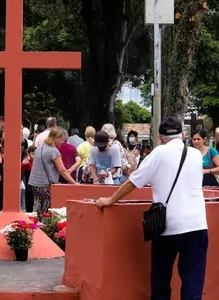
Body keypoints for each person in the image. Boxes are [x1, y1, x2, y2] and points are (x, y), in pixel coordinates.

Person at [96, 116, 208, 300]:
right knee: (193, 283)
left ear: (160, 136)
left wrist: (110, 199)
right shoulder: (196, 154)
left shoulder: (158, 153)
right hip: (198, 225)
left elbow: (134, 181)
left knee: (161, 281)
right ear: (182, 134)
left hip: (169, 226)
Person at [29, 128, 78, 216]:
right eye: (61, 139)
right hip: (45, 184)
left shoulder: (40, 148)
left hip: (34, 183)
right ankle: (44, 227)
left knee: (37, 207)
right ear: (55, 138)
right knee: (46, 210)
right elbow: (62, 170)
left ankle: (36, 225)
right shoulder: (54, 151)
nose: (62, 142)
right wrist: (74, 183)